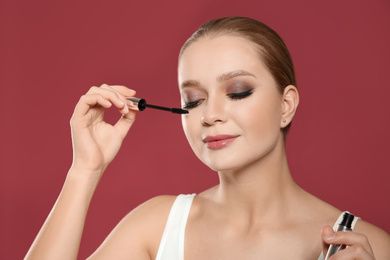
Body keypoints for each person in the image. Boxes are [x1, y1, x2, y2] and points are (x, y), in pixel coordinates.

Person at [25, 17, 390, 260]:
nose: (210, 114)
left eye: (238, 91)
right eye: (193, 99)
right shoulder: (156, 225)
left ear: (286, 105)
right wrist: (85, 170)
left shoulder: (365, 246)